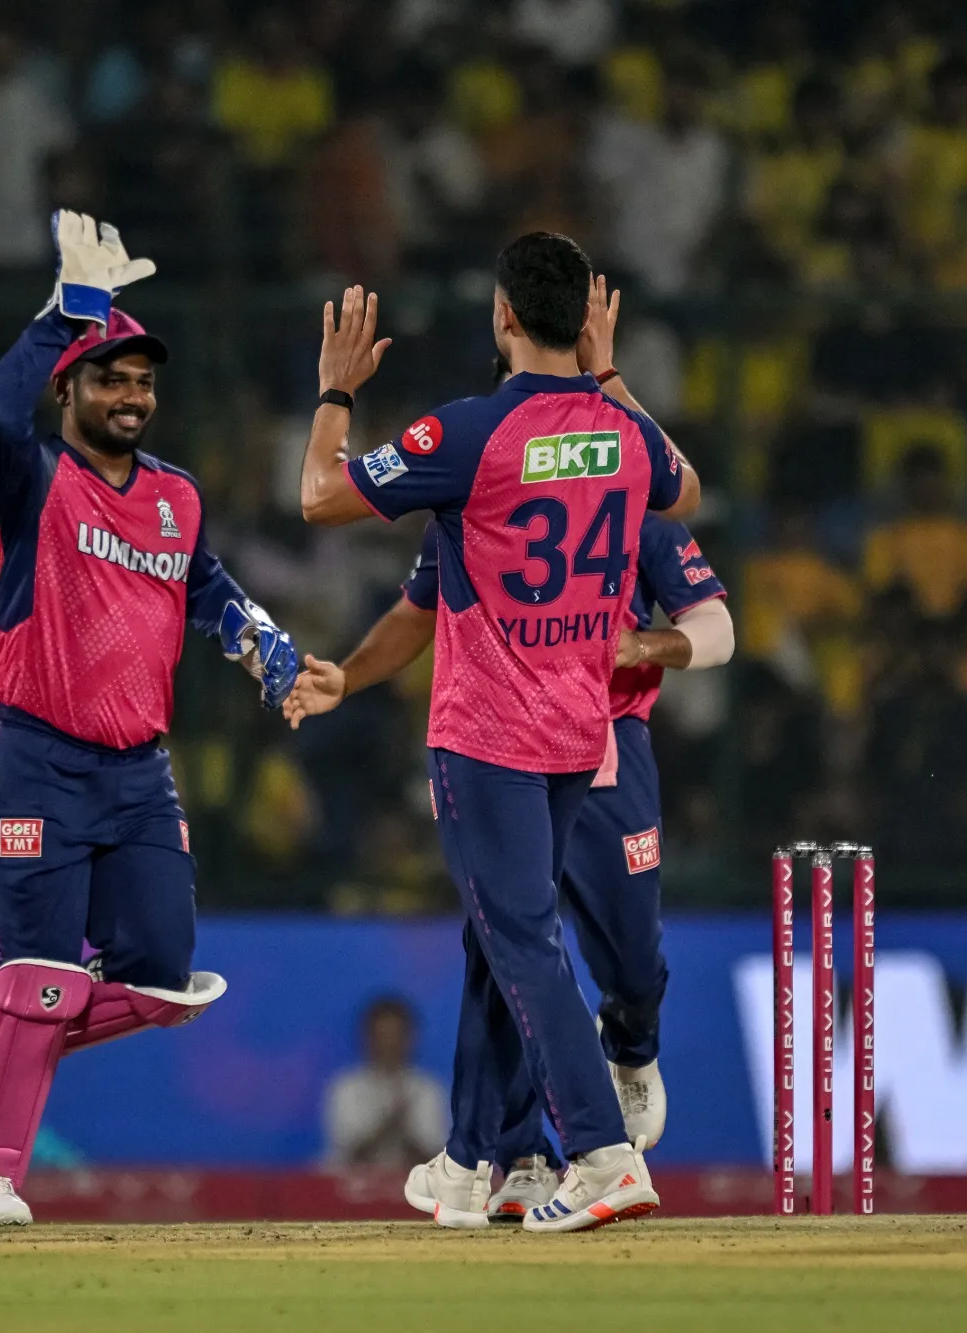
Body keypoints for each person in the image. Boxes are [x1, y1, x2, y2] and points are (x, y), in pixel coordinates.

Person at [294, 232, 700, 1233]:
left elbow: (317, 496)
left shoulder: (469, 432)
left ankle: (601, 1153)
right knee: (498, 937)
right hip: (578, 734)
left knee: (520, 940)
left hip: (487, 736)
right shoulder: (620, 431)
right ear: (580, 322)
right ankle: (481, 1160)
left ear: (503, 314)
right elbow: (683, 490)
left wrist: (336, 392)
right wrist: (609, 375)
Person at [0, 215, 299, 1228]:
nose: (132, 395)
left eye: (143, 381)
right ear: (68, 389)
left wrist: (257, 636)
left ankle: (14, 1021)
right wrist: (64, 317)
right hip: (34, 757)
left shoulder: (176, 495)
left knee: (162, 977)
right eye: (110, 379)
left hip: (139, 772)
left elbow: (205, 583)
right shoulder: (34, 481)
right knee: (45, 974)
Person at [287, 507, 732, 1219]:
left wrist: (643, 645)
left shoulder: (626, 492)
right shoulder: (469, 496)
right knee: (508, 948)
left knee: (626, 957)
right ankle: (522, 1156)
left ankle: (625, 1049)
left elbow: (718, 625)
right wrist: (348, 675)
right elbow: (413, 608)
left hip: (605, 743)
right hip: (503, 747)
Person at [322, 997, 448, 1168]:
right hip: (356, 1182)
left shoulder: (428, 1089)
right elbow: (348, 1154)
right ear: (367, 1038)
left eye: (396, 1035)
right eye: (382, 1035)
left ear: (410, 1038)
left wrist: (403, 1128)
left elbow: (435, 1158)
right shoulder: (346, 1088)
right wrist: (389, 1123)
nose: (390, 1043)